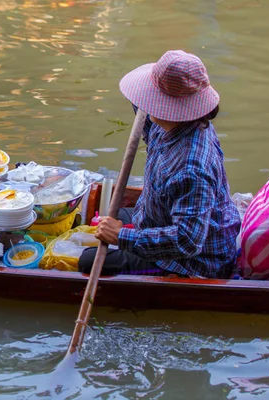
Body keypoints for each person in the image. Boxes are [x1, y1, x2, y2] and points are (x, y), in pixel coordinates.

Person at [79, 50, 241, 279]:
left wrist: (122, 237)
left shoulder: (191, 169)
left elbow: (187, 241)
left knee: (87, 260)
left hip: (192, 261)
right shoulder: (173, 123)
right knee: (116, 215)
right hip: (160, 218)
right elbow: (144, 116)